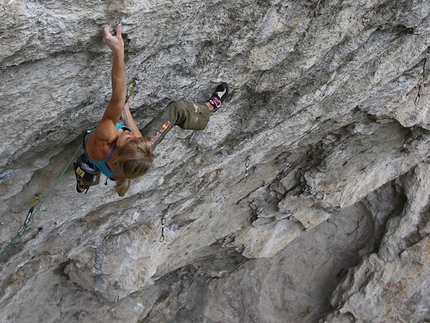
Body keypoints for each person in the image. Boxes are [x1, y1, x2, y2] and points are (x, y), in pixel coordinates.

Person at [73, 25, 228, 196]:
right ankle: (208, 108)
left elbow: (119, 99)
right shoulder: (124, 156)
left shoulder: (111, 143)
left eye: (131, 139)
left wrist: (118, 51)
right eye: (134, 139)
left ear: (119, 157)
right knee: (175, 110)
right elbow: (121, 104)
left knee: (95, 164)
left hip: (106, 156)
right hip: (121, 160)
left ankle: (82, 181)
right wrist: (126, 113)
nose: (133, 133)